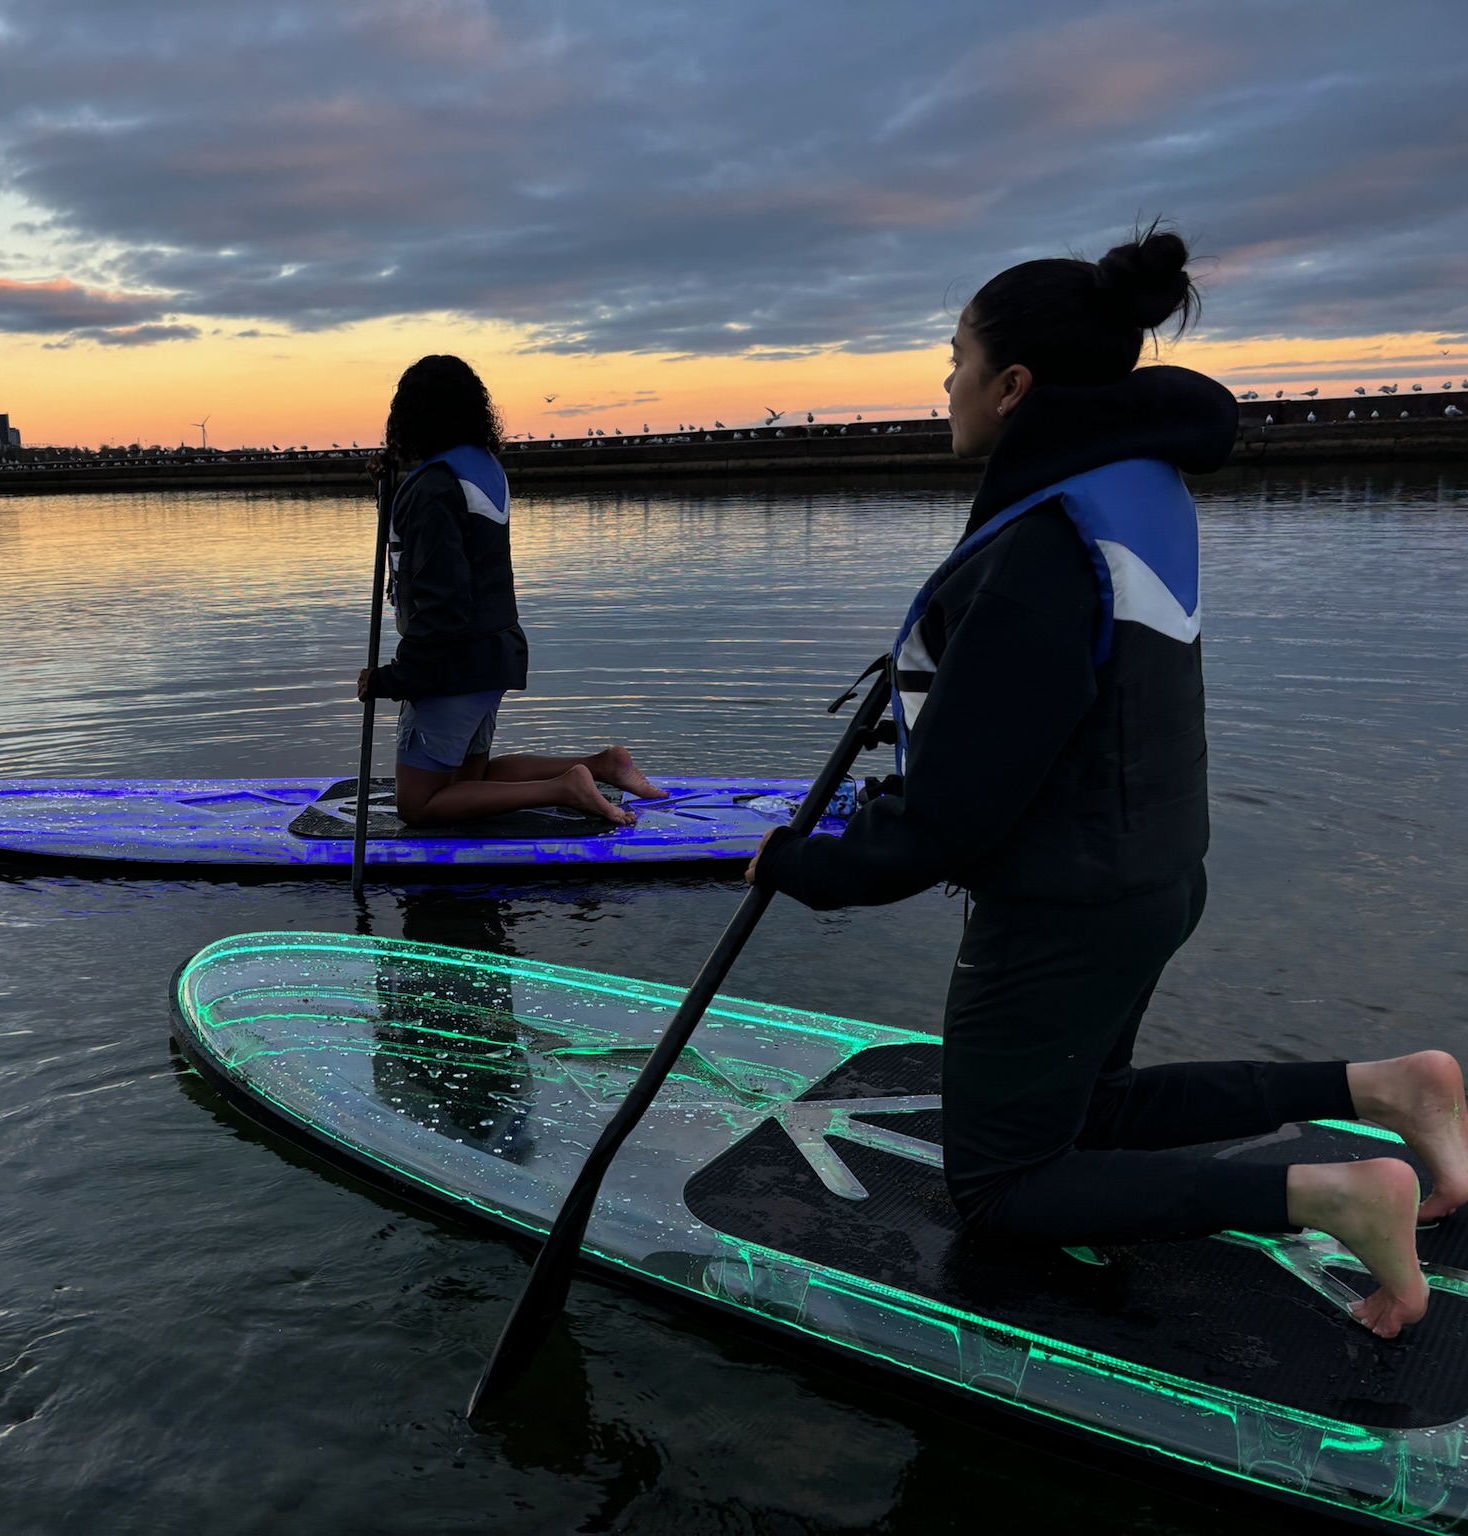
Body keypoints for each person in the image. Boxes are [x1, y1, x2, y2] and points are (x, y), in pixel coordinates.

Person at [746, 225, 1465, 1338]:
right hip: (1150, 872)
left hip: (1066, 906)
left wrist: (806, 866)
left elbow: (951, 814)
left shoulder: (1040, 547)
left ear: (1013, 385)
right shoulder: (1131, 490)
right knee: (1099, 1109)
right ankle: (1388, 1089)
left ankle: (1334, 1195)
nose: (944, 380)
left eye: (956, 356)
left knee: (998, 1182)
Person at [356, 354, 663, 826]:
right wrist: (392, 485)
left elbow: (443, 605)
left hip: (451, 665)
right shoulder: (481, 467)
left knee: (418, 805)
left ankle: (567, 786)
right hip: (493, 653)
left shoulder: (433, 487)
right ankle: (603, 766)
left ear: (410, 415)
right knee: (465, 785)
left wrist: (393, 680)